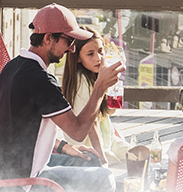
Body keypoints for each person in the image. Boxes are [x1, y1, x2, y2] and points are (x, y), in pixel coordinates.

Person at [0, 4, 125, 192]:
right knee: (106, 180)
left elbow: (22, 128)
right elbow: (78, 131)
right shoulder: (41, 81)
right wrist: (100, 88)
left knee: (89, 160)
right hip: (20, 185)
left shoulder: (12, 67)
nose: (72, 49)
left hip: (1, 175)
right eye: (69, 41)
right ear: (48, 38)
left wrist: (64, 147)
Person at [51, 27, 130, 167]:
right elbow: (92, 126)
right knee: (126, 167)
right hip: (92, 149)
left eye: (100, 51)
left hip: (109, 141)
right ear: (78, 59)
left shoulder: (96, 77)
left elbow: (107, 112)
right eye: (90, 54)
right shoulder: (81, 81)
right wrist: (103, 161)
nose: (98, 58)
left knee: (142, 155)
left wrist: (112, 89)